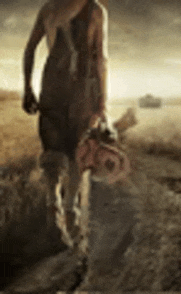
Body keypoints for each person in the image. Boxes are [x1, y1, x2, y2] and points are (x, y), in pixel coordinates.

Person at [22, 0, 108, 235]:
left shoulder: (94, 10)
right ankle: (56, 210)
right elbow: (30, 48)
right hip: (55, 90)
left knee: (75, 151)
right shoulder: (50, 9)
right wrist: (27, 89)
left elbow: (100, 57)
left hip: (80, 91)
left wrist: (102, 104)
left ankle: (68, 210)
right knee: (53, 150)